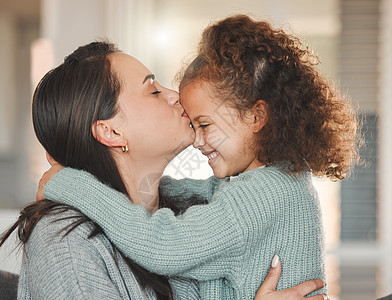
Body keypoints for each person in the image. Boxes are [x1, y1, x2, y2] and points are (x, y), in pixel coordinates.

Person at [37, 14, 358, 299]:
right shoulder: (68, 248)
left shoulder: (254, 198)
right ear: (111, 132)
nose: (175, 96)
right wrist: (81, 185)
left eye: (206, 123)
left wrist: (67, 182)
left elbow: (164, 239)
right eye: (153, 90)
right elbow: (200, 193)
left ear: (256, 116)